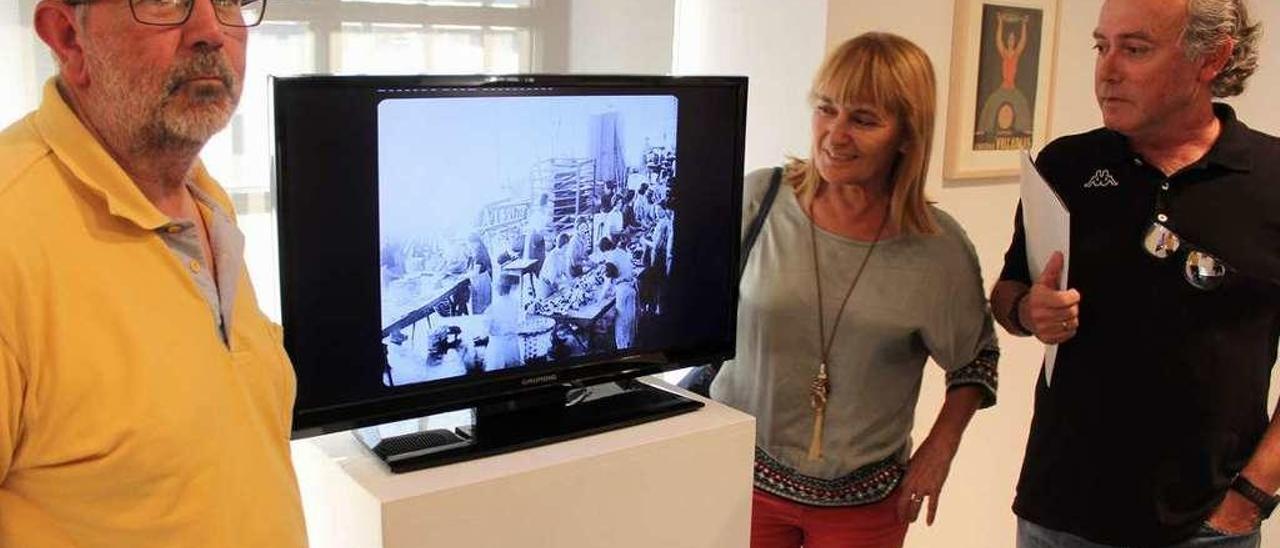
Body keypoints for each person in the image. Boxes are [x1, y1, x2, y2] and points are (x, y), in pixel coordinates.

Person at [0, 0, 305, 545]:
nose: (211, 29)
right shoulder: (11, 235)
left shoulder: (204, 200)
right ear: (69, 36)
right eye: (165, 0)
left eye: (230, 0)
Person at [989, 1, 1279, 546]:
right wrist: (1029, 310)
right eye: (1103, 46)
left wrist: (1252, 497)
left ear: (1211, 58)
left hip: (1205, 527)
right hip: (1060, 515)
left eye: (1136, 49)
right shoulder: (1065, 167)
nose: (1107, 69)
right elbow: (1008, 293)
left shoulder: (1271, 180)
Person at [709, 32, 1000, 548]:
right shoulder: (761, 199)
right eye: (827, 109)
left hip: (865, 507)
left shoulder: (938, 249)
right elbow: (694, 311)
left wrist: (939, 450)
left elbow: (975, 360)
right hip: (738, 482)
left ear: (906, 136)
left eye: (863, 120)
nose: (834, 134)